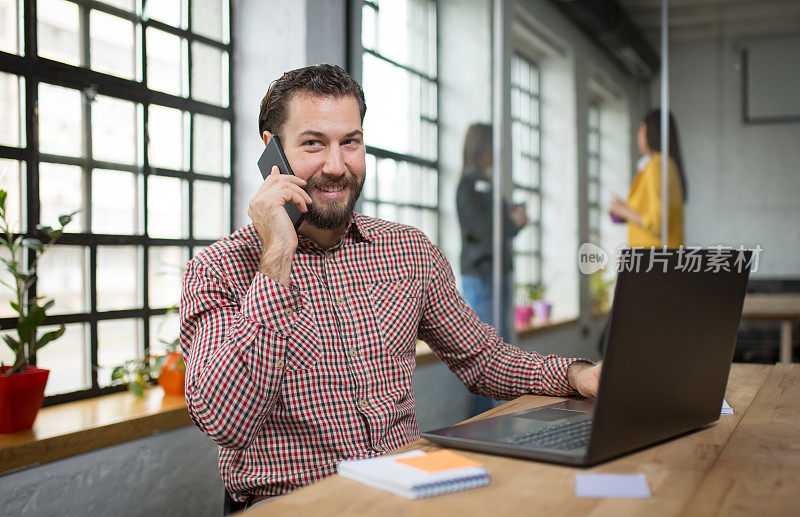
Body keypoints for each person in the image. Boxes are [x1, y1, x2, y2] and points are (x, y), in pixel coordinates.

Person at [180, 64, 601, 509]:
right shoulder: (218, 269)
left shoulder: (408, 250)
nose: (336, 166)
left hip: (404, 494)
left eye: (351, 142)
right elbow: (225, 422)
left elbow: (484, 360)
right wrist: (278, 254)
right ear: (272, 152)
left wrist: (579, 375)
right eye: (312, 144)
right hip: (293, 504)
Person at [456, 123, 528, 414]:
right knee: (487, 354)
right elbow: (481, 234)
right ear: (481, 148)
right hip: (482, 276)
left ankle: (492, 419)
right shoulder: (470, 184)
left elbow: (494, 226)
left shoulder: (484, 184)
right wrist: (512, 223)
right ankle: (482, 423)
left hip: (493, 275)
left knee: (499, 348)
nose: (494, 153)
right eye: (490, 147)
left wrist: (512, 220)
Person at [609, 109, 687, 248]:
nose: (638, 135)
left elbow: (657, 223)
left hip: (655, 259)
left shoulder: (657, 166)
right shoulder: (667, 165)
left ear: (651, 132)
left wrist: (624, 210)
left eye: (641, 129)